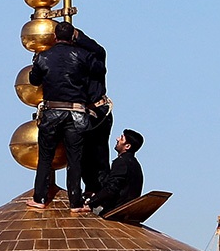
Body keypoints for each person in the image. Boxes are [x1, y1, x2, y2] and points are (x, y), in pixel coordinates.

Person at [27, 20, 105, 211]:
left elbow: (34, 80)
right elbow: (99, 67)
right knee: (75, 159)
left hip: (52, 112)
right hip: (77, 113)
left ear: (54, 36)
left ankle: (40, 198)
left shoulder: (44, 57)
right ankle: (75, 202)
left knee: (45, 157)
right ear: (72, 37)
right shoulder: (83, 56)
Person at [72, 28, 112, 200]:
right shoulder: (74, 61)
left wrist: (77, 36)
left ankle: (99, 190)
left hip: (97, 111)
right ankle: (90, 188)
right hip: (84, 111)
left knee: (97, 155)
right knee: (82, 155)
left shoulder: (93, 61)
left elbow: (99, 50)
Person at [86, 129, 144, 216]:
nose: (117, 139)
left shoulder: (121, 162)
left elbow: (111, 189)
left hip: (115, 212)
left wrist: (91, 202)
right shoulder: (136, 165)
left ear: (127, 146)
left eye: (121, 138)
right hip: (127, 212)